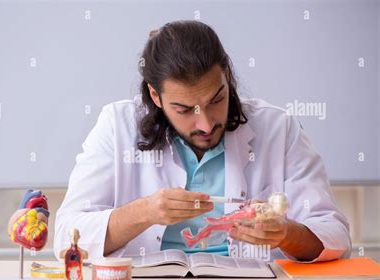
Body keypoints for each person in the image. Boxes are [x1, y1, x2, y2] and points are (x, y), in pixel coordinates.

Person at [54, 20, 351, 263]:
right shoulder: (116, 125)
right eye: (184, 110)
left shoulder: (277, 128)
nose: (206, 124)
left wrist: (286, 234)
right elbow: (67, 235)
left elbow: (334, 234)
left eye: (216, 99)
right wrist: (144, 212)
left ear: (228, 78)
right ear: (156, 96)